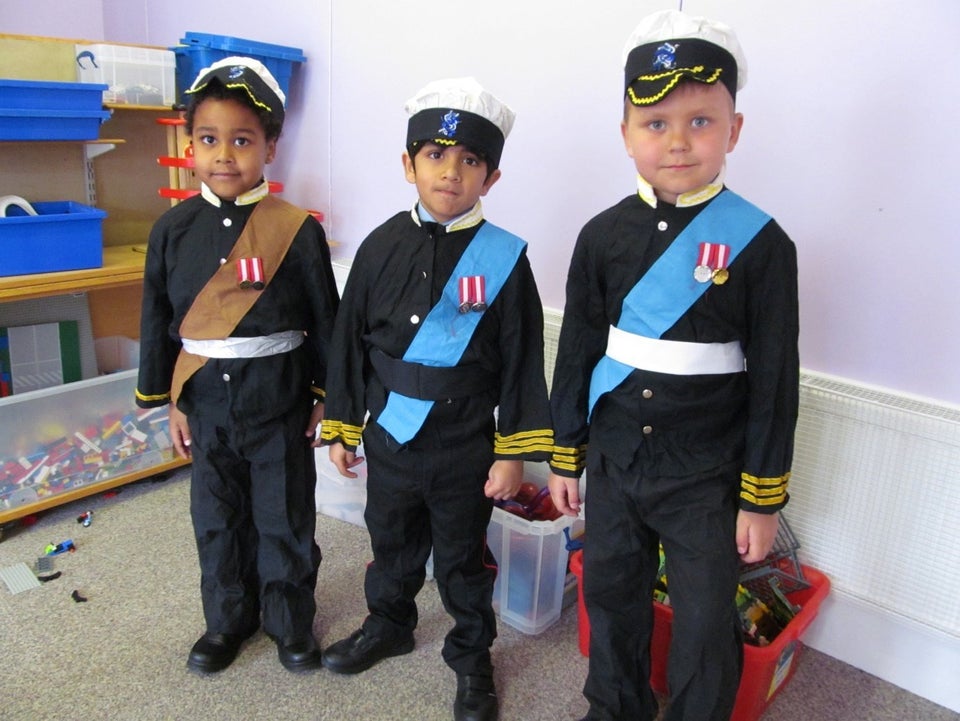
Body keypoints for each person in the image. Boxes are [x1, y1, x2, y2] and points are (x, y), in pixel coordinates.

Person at [547, 10, 799, 721]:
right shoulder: (600, 236)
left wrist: (762, 494)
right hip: (618, 457)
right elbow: (577, 353)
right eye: (655, 123)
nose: (678, 142)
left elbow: (774, 379)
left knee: (703, 614)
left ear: (734, 131)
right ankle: (614, 705)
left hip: (707, 469)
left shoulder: (764, 244)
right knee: (611, 591)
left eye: (700, 121)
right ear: (625, 132)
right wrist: (567, 454)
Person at [318, 77, 553, 721]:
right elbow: (347, 345)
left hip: (465, 443)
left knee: (461, 558)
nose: (451, 172)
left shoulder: (507, 259)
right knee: (389, 540)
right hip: (389, 433)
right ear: (408, 164)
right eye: (435, 155)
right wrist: (341, 426)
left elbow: (523, 360)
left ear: (491, 177)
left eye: (470, 160)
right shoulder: (377, 246)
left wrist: (513, 453)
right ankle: (388, 624)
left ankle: (473, 656)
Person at [135, 56, 339, 674]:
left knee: (284, 518)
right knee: (217, 520)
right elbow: (157, 323)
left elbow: (325, 321)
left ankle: (288, 623)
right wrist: (167, 400)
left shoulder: (296, 230)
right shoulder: (171, 230)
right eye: (208, 139)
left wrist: (326, 394)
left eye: (243, 140)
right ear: (189, 145)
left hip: (279, 398)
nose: (225, 155)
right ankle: (226, 621)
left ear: (270, 147)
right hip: (207, 404)